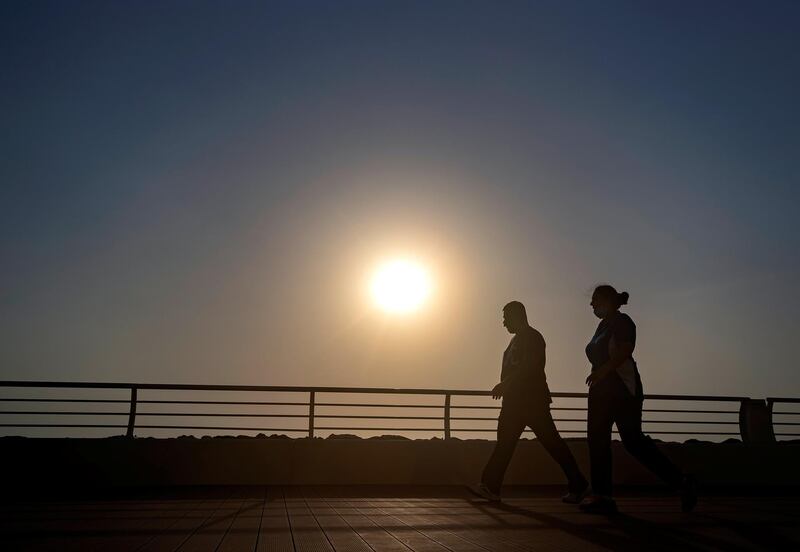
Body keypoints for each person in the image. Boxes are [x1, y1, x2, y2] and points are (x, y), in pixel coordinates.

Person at [580, 284, 697, 513]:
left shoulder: (623, 322)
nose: (591, 305)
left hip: (622, 390)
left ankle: (682, 482)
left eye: (594, 300)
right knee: (597, 440)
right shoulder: (601, 326)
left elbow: (625, 349)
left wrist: (602, 372)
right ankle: (602, 495)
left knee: (633, 442)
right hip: (600, 392)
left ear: (606, 300)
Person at [470, 301, 589, 503]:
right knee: (507, 444)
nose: (504, 323)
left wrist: (505, 384)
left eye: (506, 317)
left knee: (551, 444)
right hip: (515, 403)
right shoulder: (516, 341)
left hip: (531, 402)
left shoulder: (533, 337)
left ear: (518, 316)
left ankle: (579, 484)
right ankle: (491, 487)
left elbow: (530, 366)